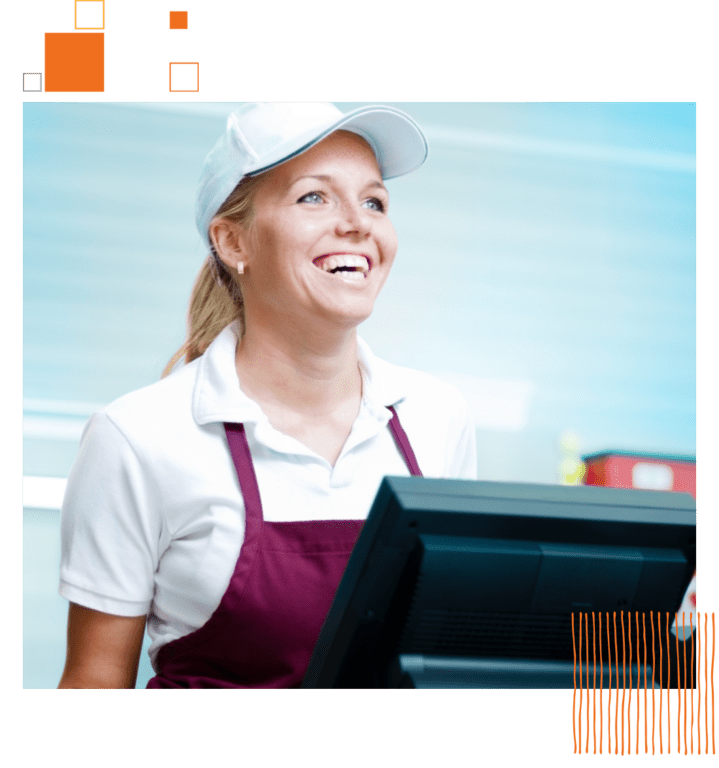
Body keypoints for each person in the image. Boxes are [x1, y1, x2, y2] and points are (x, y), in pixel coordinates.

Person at [57, 102, 477, 689]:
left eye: (374, 201)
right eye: (314, 197)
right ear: (233, 241)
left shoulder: (437, 419)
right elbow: (93, 687)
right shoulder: (138, 438)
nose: (358, 223)